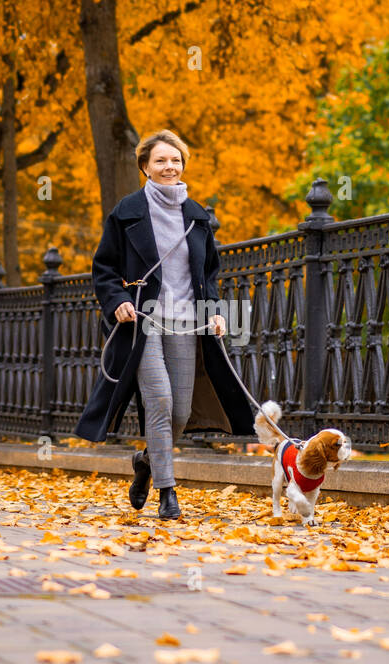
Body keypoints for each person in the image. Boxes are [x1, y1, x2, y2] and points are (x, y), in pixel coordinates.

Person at [72, 129, 256, 517]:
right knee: (159, 401)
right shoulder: (127, 212)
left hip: (187, 323)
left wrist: (215, 311)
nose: (169, 166)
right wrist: (118, 301)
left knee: (181, 412)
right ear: (145, 167)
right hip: (144, 322)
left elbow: (207, 274)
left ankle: (144, 463)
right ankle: (168, 492)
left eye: (175, 160)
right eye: (160, 160)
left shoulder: (197, 216)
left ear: (183, 165)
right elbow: (103, 268)